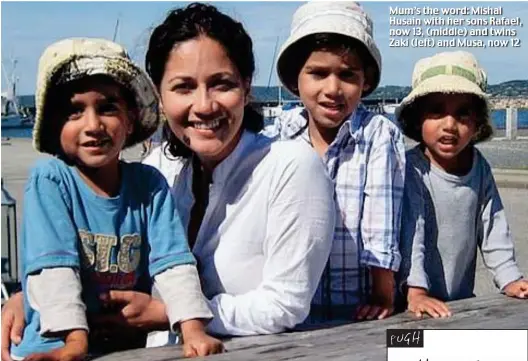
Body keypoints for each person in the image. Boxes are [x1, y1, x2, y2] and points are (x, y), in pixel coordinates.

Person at [0, 4, 336, 354]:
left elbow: (287, 304)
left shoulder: (289, 165)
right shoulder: (160, 169)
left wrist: (169, 314)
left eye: (221, 84)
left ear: (247, 86)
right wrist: (30, 298)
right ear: (159, 95)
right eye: (184, 87)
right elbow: (92, 254)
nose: (204, 105)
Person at [6, 38, 223, 361]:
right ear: (54, 124)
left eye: (107, 107)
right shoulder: (51, 180)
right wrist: (75, 342)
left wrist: (192, 329)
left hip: (124, 350)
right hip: (53, 348)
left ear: (131, 118)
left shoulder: (148, 185)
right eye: (74, 111)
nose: (93, 125)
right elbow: (54, 268)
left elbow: (174, 263)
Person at [265, 1, 405, 322]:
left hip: (358, 301)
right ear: (295, 80)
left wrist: (383, 294)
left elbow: (381, 220)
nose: (333, 89)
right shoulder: (278, 133)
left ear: (365, 81)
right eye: (318, 73)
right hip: (288, 301)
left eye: (347, 75)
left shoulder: (378, 134)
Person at [397, 51, 528, 319]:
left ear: (478, 123)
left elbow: (492, 226)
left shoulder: (479, 167)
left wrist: (509, 277)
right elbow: (412, 232)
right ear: (417, 119)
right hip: (409, 303)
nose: (449, 125)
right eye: (436, 111)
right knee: (406, 349)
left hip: (458, 302)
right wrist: (417, 290)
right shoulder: (412, 169)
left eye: (462, 114)